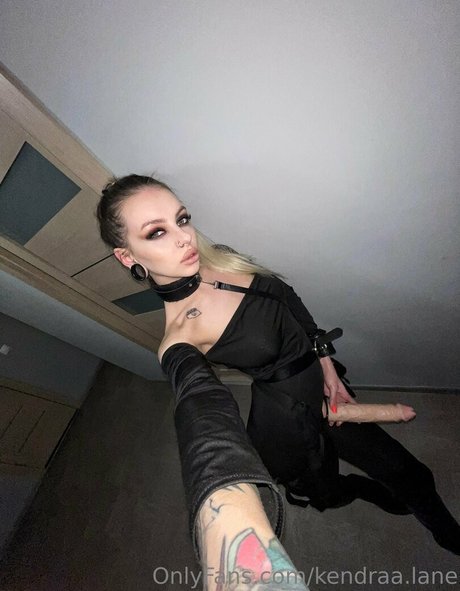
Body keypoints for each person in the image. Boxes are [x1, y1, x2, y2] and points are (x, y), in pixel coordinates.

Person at [96, 175, 460, 582]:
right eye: (157, 232)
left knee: (411, 475)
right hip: (287, 417)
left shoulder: (221, 259)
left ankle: (446, 533)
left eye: (182, 219)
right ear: (127, 256)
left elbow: (286, 297)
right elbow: (201, 410)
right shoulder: (178, 339)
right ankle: (366, 494)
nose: (185, 238)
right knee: (323, 487)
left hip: (322, 384)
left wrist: (324, 360)